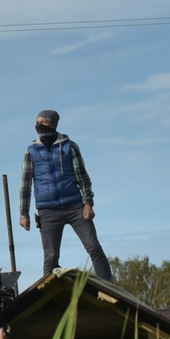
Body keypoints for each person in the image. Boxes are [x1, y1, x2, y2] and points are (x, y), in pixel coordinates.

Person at [18, 109, 111, 281]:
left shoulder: (69, 146)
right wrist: (24, 214)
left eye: (42, 122)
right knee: (50, 257)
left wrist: (88, 202)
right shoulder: (31, 151)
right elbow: (25, 184)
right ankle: (47, 297)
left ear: (51, 123)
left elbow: (82, 176)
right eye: (36, 122)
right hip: (48, 209)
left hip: (75, 205)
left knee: (94, 247)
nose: (38, 125)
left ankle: (110, 288)